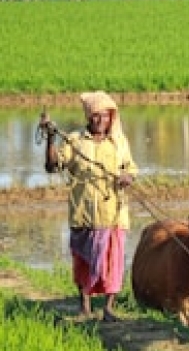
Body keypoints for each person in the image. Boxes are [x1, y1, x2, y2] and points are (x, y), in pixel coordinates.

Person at [41, 91, 138, 322]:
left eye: (105, 116)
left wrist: (127, 177)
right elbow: (53, 166)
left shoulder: (119, 142)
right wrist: (50, 138)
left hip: (113, 212)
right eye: (96, 116)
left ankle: (109, 308)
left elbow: (131, 168)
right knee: (84, 260)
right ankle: (84, 305)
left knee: (112, 260)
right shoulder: (75, 141)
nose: (100, 121)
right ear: (88, 117)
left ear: (111, 118)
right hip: (83, 212)